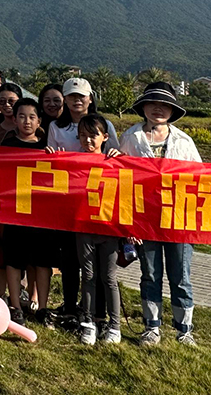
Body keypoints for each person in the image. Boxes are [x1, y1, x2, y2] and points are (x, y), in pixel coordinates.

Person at [119, 82, 202, 346]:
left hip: (178, 218)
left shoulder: (184, 141)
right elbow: (121, 181)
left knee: (181, 276)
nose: (158, 109)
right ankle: (151, 327)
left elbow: (202, 177)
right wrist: (129, 223)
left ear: (172, 110)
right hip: (144, 219)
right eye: (153, 103)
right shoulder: (131, 137)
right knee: (150, 274)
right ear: (143, 107)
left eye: (164, 105)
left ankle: (184, 330)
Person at [45, 77, 120, 319]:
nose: (77, 100)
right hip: (70, 202)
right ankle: (70, 307)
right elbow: (51, 163)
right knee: (69, 259)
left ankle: (97, 311)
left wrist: (117, 155)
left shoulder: (105, 124)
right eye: (71, 96)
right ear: (65, 100)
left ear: (90, 98)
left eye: (81, 96)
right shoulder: (57, 127)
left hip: (98, 203)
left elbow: (116, 160)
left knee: (98, 266)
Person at [0, 98, 53, 326]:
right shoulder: (7, 146)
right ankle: (15, 305)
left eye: (32, 117)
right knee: (13, 260)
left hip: (41, 214)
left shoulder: (47, 147)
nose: (27, 121)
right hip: (14, 212)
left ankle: (42, 307)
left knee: (42, 261)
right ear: (14, 119)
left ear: (39, 121)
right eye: (22, 116)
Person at [74, 114, 123, 345]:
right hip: (83, 228)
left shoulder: (114, 161)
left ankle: (115, 325)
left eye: (93, 135)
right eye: (82, 136)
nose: (88, 140)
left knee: (109, 278)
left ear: (105, 137)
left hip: (108, 229)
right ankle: (88, 323)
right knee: (88, 276)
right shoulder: (73, 161)